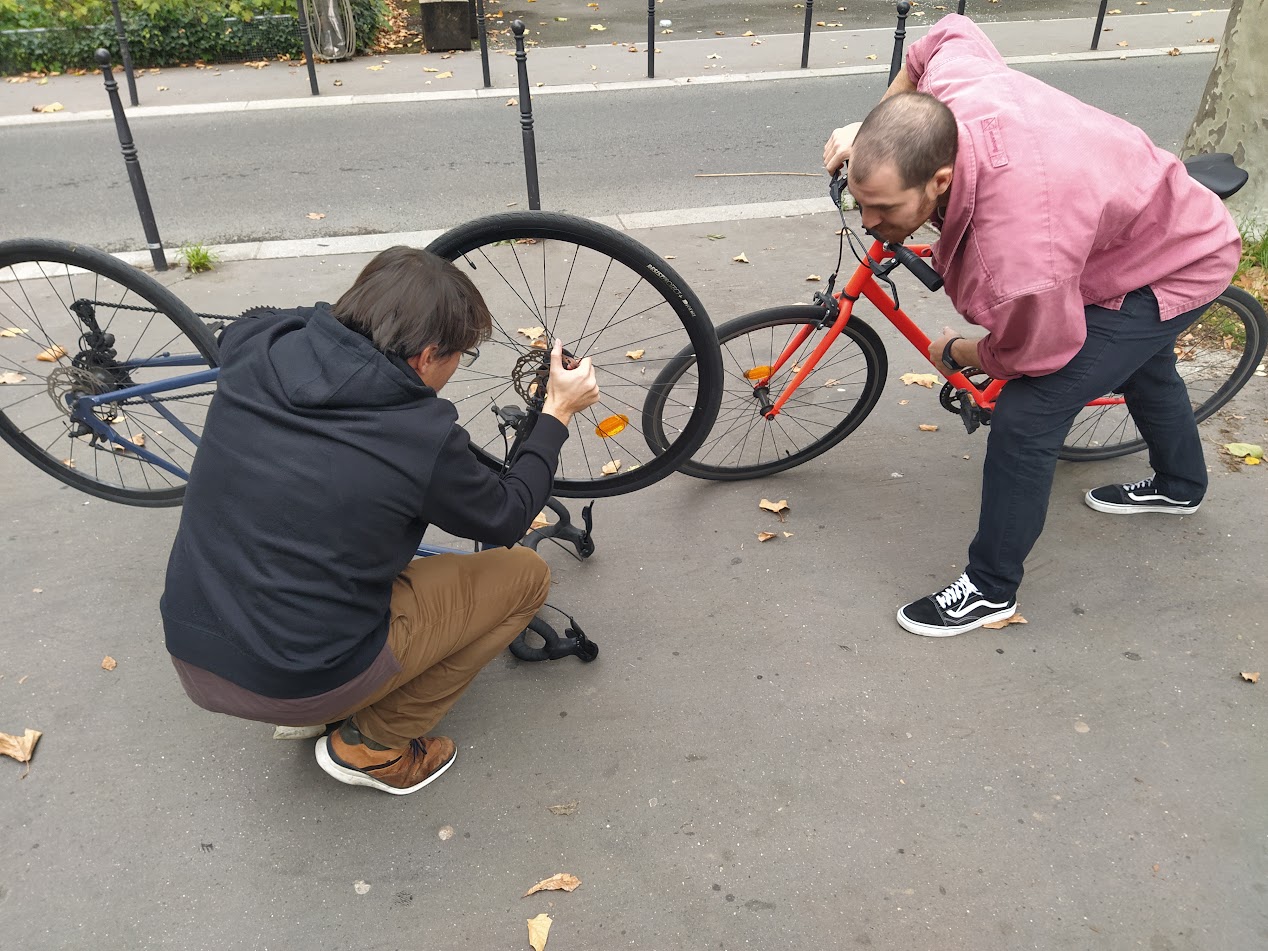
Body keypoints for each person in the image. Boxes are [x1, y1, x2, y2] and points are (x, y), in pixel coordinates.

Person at [821, 14, 1240, 637]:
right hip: (1139, 222)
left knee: (1028, 415)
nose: (868, 220)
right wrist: (872, 132)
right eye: (862, 201)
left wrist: (960, 349)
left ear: (940, 181)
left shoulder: (1017, 259)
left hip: (1175, 262)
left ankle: (990, 589)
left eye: (884, 208)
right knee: (1146, 366)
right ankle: (1181, 485)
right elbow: (945, 33)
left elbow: (1036, 351)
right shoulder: (954, 94)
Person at [160, 246, 600, 794]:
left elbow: (243, 324)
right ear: (427, 356)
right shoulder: (418, 433)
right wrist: (556, 414)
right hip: (301, 677)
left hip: (193, 647)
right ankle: (372, 747)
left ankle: (329, 690)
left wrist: (341, 324)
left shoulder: (261, 344)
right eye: (462, 353)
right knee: (524, 577)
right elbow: (507, 517)